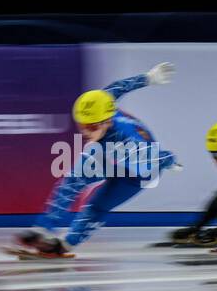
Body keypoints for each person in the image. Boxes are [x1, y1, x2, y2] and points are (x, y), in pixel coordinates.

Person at [12, 62, 176, 257]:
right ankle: (44, 229)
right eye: (81, 126)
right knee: (71, 182)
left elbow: (157, 158)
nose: (85, 132)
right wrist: (148, 78)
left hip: (139, 169)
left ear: (106, 121)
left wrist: (170, 160)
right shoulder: (101, 103)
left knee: (97, 205)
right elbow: (119, 86)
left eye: (90, 128)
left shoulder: (129, 139)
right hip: (109, 151)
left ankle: (66, 245)